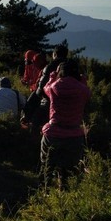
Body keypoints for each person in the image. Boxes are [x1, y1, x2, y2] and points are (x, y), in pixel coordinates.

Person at [39, 59, 91, 188]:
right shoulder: (82, 89)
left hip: (53, 133)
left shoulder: (54, 87)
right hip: (74, 136)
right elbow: (87, 93)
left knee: (46, 166)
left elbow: (45, 89)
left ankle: (44, 191)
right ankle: (65, 197)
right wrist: (83, 80)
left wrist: (51, 77)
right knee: (69, 172)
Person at [22, 45, 68, 131]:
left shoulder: (50, 67)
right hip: (72, 101)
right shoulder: (73, 66)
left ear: (54, 54)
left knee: (36, 118)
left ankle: (32, 134)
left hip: (51, 101)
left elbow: (40, 90)